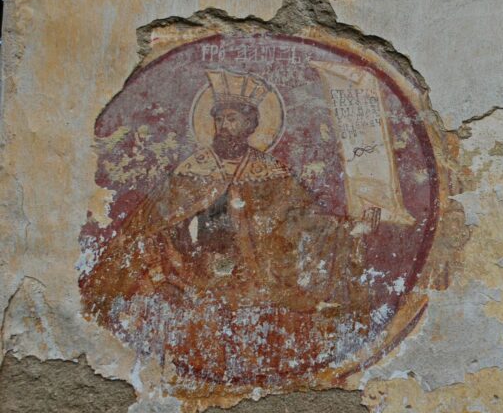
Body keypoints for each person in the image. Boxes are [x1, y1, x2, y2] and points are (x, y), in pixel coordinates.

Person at [82, 70, 381, 386]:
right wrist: (166, 258)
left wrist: (350, 230)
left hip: (260, 272)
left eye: (232, 119)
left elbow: (305, 221)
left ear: (251, 126)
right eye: (220, 120)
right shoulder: (192, 170)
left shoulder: (271, 172)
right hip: (196, 268)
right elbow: (155, 223)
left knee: (274, 308)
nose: (224, 127)